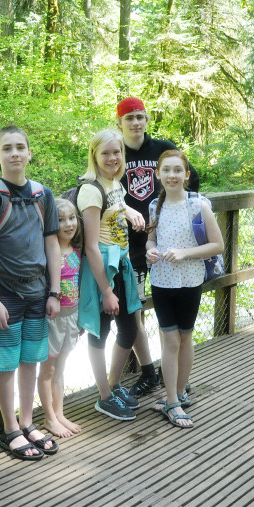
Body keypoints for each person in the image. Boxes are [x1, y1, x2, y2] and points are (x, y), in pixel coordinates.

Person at [0, 125, 61, 460]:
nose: (14, 153)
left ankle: (28, 422)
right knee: (5, 365)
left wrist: (54, 292)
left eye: (20, 147)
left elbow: (52, 245)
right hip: (5, 295)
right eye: (7, 148)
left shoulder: (43, 195)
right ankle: (9, 429)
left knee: (31, 362)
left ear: (29, 153)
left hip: (38, 292)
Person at [116, 97, 200, 398]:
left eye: (140, 117)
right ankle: (149, 372)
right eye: (129, 118)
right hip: (129, 248)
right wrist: (123, 208)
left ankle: (177, 378)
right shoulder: (116, 151)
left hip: (166, 247)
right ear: (120, 123)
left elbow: (192, 179)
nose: (136, 123)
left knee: (175, 318)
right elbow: (97, 185)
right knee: (134, 311)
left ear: (147, 119)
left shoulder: (161, 149)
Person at [145, 150, 223, 428]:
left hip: (190, 280)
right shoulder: (155, 206)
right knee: (170, 341)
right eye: (166, 170)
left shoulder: (198, 205)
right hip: (162, 281)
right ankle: (172, 401)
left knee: (186, 338)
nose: (172, 175)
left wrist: (185, 253)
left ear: (187, 175)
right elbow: (151, 240)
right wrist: (151, 252)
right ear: (158, 174)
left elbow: (217, 245)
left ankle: (177, 394)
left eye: (178, 170)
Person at [76, 128, 146, 421]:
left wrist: (127, 209)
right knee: (100, 332)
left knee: (129, 328)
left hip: (122, 264)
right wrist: (106, 290)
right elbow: (91, 247)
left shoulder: (115, 184)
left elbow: (115, 205)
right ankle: (104, 396)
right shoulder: (91, 190)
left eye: (117, 152)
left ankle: (114, 384)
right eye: (105, 153)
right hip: (101, 270)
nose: (112, 158)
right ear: (94, 155)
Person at [38, 197, 83, 438]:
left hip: (72, 317)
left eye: (72, 218)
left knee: (61, 368)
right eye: (61, 219)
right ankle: (49, 418)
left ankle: (59, 412)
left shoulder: (76, 249)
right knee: (48, 369)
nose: (68, 224)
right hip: (53, 320)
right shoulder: (48, 250)